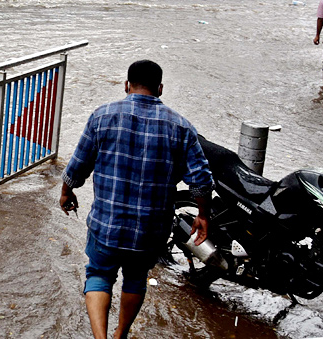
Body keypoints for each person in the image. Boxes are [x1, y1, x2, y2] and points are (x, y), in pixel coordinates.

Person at [60, 60, 212, 339]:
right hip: (150, 230)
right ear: (161, 89)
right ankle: (120, 335)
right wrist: (203, 214)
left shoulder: (102, 116)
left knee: (98, 275)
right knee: (135, 278)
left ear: (127, 85)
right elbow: (201, 179)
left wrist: (67, 191)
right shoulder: (182, 127)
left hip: (107, 224)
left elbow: (79, 164)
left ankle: (101, 338)